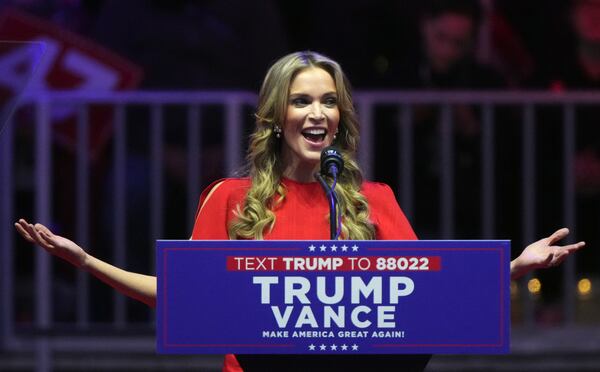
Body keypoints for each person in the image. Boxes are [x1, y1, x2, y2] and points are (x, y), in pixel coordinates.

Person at [15, 51, 585, 372]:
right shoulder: (231, 200)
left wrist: (512, 268)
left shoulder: (373, 201)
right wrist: (87, 261)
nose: (319, 113)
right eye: (303, 99)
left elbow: (428, 295)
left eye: (329, 100)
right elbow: (181, 292)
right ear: (275, 115)